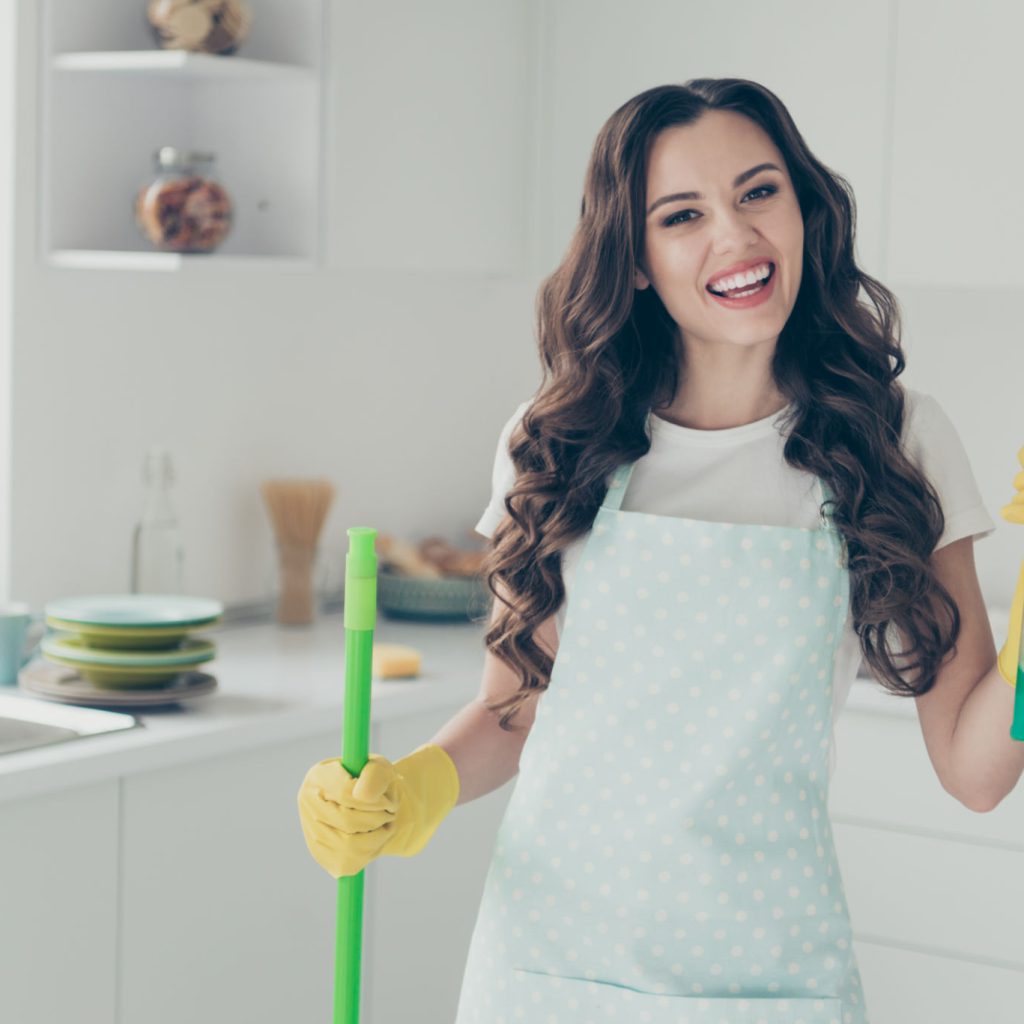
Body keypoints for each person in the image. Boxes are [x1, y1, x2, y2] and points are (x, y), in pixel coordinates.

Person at [297, 78, 1024, 1023]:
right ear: (635, 258)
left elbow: (977, 772)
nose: (735, 236)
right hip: (549, 967)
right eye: (683, 215)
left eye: (760, 192)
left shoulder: (893, 440)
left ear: (805, 208)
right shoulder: (558, 440)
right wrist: (412, 791)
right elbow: (512, 713)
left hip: (769, 977)